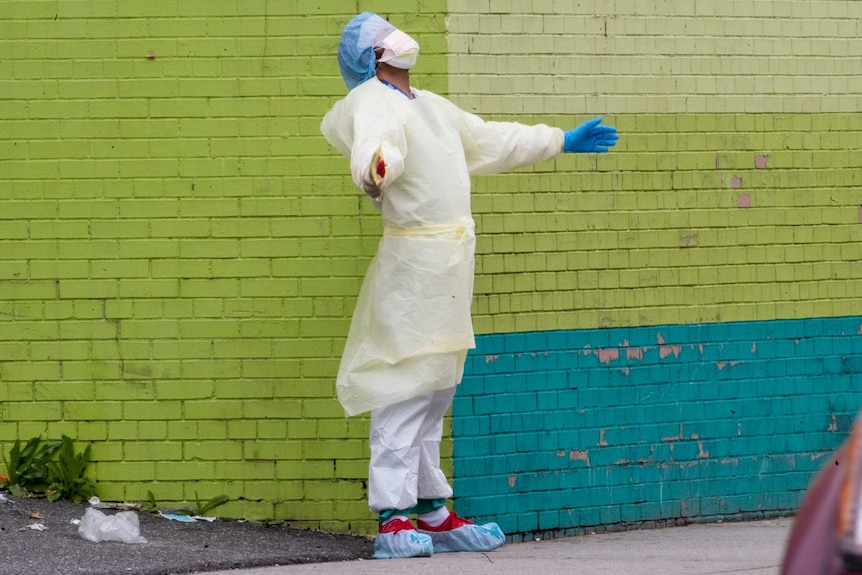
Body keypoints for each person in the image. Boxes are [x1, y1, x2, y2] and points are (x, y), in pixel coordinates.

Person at [320, 12, 619, 560]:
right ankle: (391, 517)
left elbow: (488, 139)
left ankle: (431, 510)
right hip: (413, 265)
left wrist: (558, 140)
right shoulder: (373, 100)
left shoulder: (429, 106)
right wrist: (375, 169)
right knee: (403, 386)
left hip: (449, 264)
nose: (394, 34)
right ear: (371, 57)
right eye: (379, 34)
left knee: (436, 389)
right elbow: (375, 148)